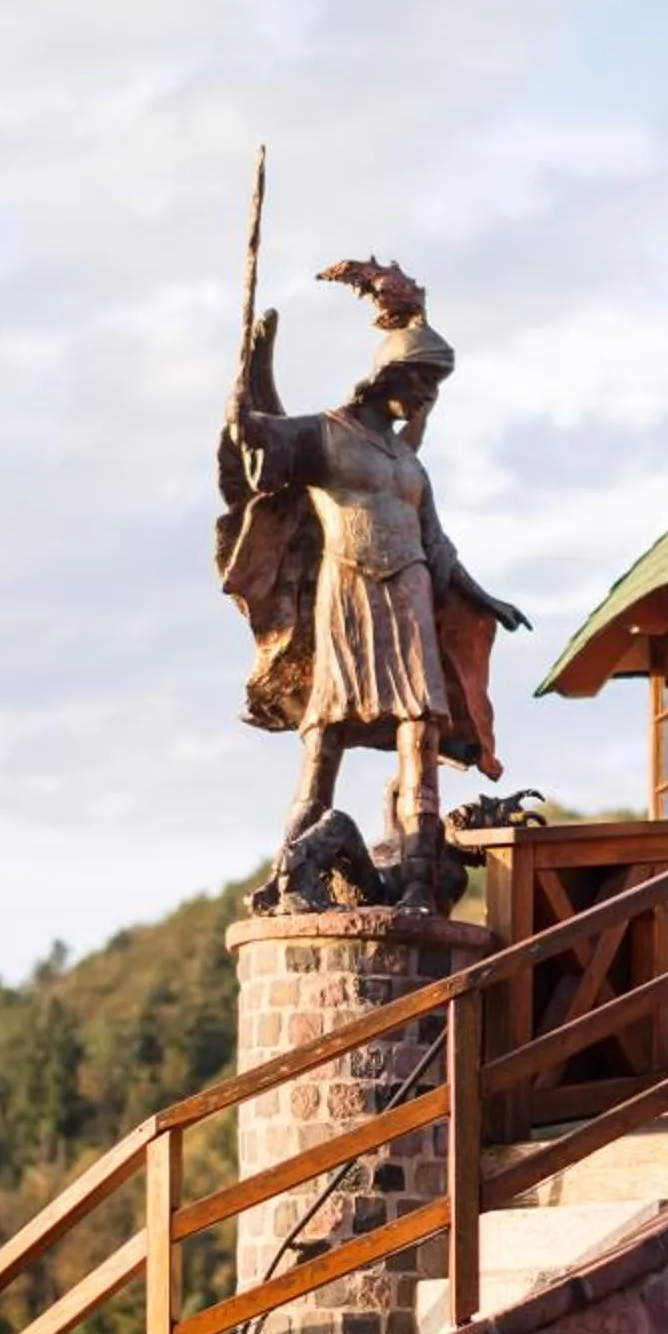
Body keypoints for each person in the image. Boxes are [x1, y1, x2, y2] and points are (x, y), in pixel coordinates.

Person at [219, 262, 527, 911]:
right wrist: (250, 372)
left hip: (409, 592)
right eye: (420, 383)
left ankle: (418, 874)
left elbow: (436, 546)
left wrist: (484, 598)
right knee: (325, 731)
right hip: (348, 592)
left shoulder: (409, 463)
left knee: (421, 724)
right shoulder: (328, 435)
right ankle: (288, 870)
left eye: (433, 387)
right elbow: (258, 441)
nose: (426, 399)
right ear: (388, 375)